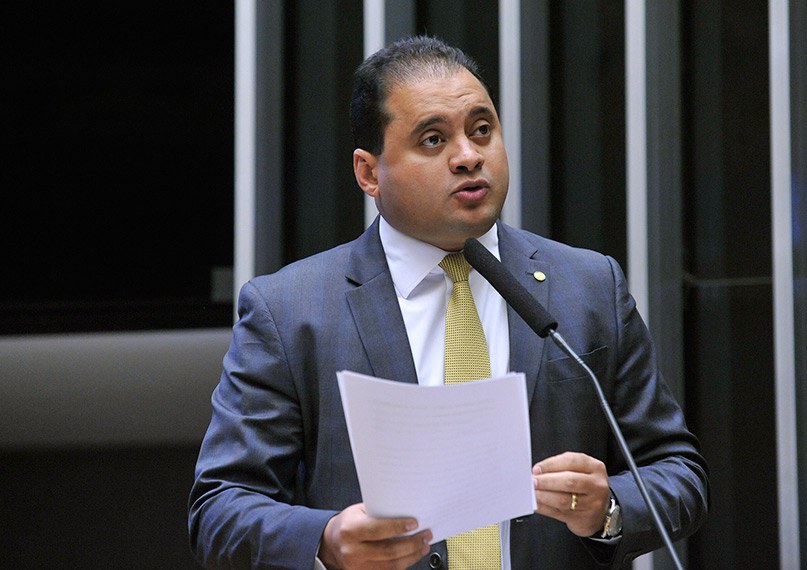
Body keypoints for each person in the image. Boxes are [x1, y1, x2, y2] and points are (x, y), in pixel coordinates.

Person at [189, 35, 708, 569]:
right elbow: (219, 509)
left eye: (482, 129)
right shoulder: (291, 311)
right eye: (433, 140)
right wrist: (324, 538)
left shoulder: (588, 286)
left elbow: (678, 473)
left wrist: (609, 507)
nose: (468, 156)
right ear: (369, 172)